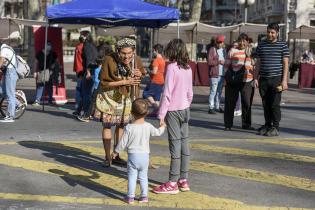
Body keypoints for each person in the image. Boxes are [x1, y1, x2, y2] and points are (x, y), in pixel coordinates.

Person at [95, 37, 146, 167]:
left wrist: (139, 73)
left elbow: (143, 72)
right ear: (118, 51)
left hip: (126, 99)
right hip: (109, 97)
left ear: (133, 52)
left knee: (121, 125)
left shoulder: (136, 60)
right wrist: (124, 81)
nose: (126, 57)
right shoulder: (109, 60)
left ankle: (116, 155)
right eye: (123, 53)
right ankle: (107, 157)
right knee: (107, 125)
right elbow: (103, 82)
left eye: (129, 54)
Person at [153, 38, 193, 194]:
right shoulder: (188, 68)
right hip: (185, 109)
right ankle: (183, 180)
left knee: (174, 146)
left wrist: (161, 114)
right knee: (184, 145)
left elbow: (167, 93)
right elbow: (190, 93)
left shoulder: (171, 68)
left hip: (173, 111)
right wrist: (186, 105)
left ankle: (172, 182)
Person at [111, 98, 165, 204]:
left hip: (133, 156)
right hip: (145, 156)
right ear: (146, 113)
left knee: (132, 177)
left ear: (131, 113)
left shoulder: (129, 128)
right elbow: (158, 132)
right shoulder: (148, 126)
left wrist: (116, 152)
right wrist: (162, 126)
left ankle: (130, 197)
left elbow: (123, 143)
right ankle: (144, 196)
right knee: (143, 177)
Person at [254, 23, 289, 136]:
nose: (270, 34)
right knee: (265, 104)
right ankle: (267, 124)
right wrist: (255, 78)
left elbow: (285, 63)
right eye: (268, 32)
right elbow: (258, 63)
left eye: (272, 32)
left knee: (274, 104)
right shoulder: (261, 45)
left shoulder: (283, 45)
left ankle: (275, 127)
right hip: (263, 79)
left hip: (276, 79)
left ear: (277, 33)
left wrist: (284, 81)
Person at [223, 33, 255, 131]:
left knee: (247, 102)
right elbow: (226, 66)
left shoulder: (250, 51)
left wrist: (250, 56)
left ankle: (246, 124)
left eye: (244, 41)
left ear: (247, 42)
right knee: (230, 102)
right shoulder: (232, 51)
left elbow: (252, 65)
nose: (242, 43)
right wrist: (225, 79)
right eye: (240, 40)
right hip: (233, 80)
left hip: (247, 80)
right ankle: (228, 124)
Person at [77, 55, 103, 122]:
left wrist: (92, 77)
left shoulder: (97, 69)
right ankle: (102, 117)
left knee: (92, 102)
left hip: (97, 87)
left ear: (97, 63)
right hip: (103, 87)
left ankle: (87, 116)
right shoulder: (103, 69)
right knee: (101, 102)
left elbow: (97, 80)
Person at [33, 41, 59, 106]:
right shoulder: (40, 53)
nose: (49, 46)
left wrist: (53, 67)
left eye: (50, 45)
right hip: (41, 71)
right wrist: (35, 72)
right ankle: (37, 100)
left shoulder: (53, 54)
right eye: (48, 45)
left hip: (50, 72)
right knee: (40, 86)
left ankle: (50, 100)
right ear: (45, 45)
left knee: (50, 86)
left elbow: (56, 62)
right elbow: (35, 63)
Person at [143, 43, 165, 116]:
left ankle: (156, 108)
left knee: (146, 93)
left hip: (155, 80)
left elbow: (154, 72)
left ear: (156, 51)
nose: (153, 52)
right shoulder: (163, 60)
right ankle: (156, 112)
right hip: (161, 81)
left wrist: (148, 71)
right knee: (157, 97)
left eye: (153, 51)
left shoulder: (156, 60)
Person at [80, 34, 98, 118]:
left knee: (86, 92)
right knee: (89, 92)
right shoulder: (93, 46)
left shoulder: (87, 47)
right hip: (94, 70)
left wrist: (88, 72)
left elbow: (88, 59)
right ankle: (86, 111)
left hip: (90, 71)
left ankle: (87, 112)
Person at [207, 35, 226, 114]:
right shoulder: (212, 49)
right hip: (214, 75)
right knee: (213, 91)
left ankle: (217, 107)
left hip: (222, 75)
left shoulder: (224, 50)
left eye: (221, 42)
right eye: (219, 42)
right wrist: (219, 62)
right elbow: (209, 62)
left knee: (219, 92)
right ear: (216, 42)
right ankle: (211, 107)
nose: (220, 44)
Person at [0, 42, 18, 122]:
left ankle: (10, 116)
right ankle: (17, 104)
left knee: (10, 94)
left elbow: (1, 60)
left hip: (10, 72)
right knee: (3, 91)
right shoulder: (6, 48)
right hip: (8, 71)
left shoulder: (4, 50)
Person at [72, 34, 86, 116]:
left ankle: (78, 107)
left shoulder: (77, 47)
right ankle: (81, 107)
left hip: (78, 69)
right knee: (83, 89)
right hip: (83, 69)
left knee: (79, 88)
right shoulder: (83, 47)